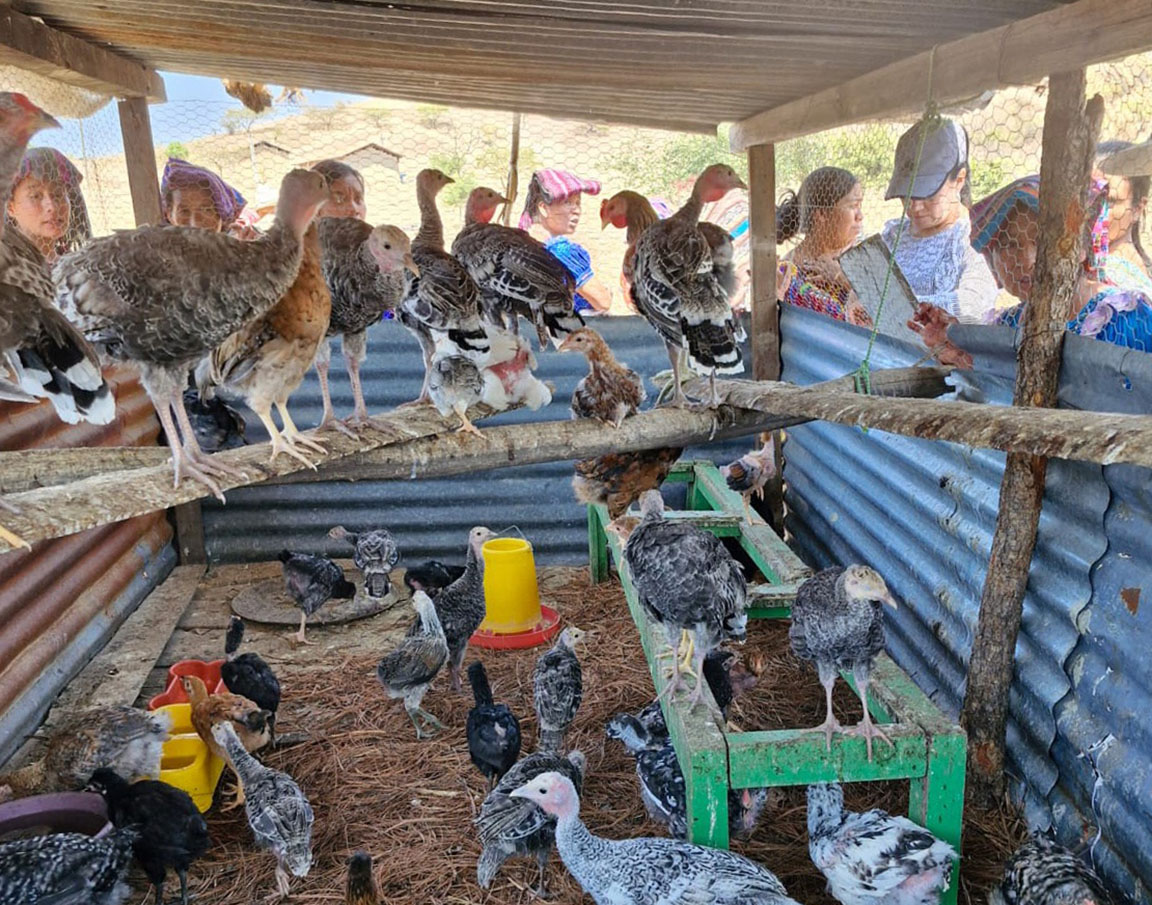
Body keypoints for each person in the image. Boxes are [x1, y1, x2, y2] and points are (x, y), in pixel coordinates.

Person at [918, 175, 1152, 356]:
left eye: (1042, 241)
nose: (1028, 261)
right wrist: (956, 343)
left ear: (1080, 247)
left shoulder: (1124, 318)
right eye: (1009, 245)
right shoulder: (1009, 324)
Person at [882, 117, 998, 323]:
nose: (914, 207)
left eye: (927, 195)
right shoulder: (893, 236)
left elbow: (972, 304)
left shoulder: (971, 241)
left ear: (959, 180)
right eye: (906, 196)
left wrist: (888, 308)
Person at [775, 166, 871, 326]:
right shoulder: (788, 274)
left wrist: (845, 279)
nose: (860, 216)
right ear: (822, 214)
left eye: (860, 206)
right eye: (853, 206)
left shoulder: (865, 256)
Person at [519, 168, 612, 314]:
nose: (576, 210)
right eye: (568, 202)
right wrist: (606, 293)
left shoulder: (522, 244)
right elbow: (603, 302)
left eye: (578, 203)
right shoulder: (561, 252)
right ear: (543, 208)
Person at [6, 147, 91, 263]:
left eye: (58, 194)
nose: (52, 207)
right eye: (35, 196)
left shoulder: (77, 264)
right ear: (11, 208)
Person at [1095, 140, 1152, 295]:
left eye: (1110, 202)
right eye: (1091, 197)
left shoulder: (1115, 275)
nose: (1096, 210)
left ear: (1137, 209)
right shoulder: (1093, 266)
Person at [160, 157, 247, 234]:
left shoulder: (238, 243)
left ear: (222, 215)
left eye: (206, 210)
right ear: (169, 215)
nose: (195, 224)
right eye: (184, 211)